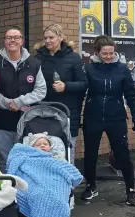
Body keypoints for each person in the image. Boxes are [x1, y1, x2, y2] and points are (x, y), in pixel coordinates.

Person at [82, 35, 135, 206]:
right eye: (104, 54)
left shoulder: (122, 69)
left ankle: (130, 189)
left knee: (123, 154)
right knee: (90, 155)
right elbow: (80, 92)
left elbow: (130, 94)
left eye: (111, 53)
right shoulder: (89, 69)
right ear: (97, 52)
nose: (108, 57)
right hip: (93, 117)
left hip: (116, 117)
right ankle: (91, 186)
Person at [0, 25, 47, 172]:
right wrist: (7, 103)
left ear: (22, 41)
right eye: (9, 37)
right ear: (4, 41)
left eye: (16, 37)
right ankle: (7, 192)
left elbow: (41, 90)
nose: (12, 40)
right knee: (4, 160)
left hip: (26, 121)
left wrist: (19, 102)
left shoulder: (34, 63)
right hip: (0, 121)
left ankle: (23, 193)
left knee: (26, 160)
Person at [34, 24, 88, 164]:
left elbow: (84, 84)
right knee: (45, 149)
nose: (47, 41)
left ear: (61, 37)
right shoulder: (38, 59)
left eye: (51, 37)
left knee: (67, 150)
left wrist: (66, 86)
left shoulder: (74, 58)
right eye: (45, 38)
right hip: (44, 112)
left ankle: (69, 184)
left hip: (68, 112)